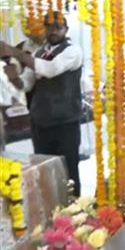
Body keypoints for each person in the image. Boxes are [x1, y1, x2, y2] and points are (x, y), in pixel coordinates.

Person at [0, 11, 83, 196]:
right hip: (40, 124)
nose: (53, 31)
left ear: (66, 29)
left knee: (68, 172)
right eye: (49, 26)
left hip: (65, 124)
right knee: (44, 172)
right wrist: (14, 78)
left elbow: (50, 69)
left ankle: (76, 217)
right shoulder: (40, 53)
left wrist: (14, 52)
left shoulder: (73, 51)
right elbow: (26, 84)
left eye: (58, 27)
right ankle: (52, 218)